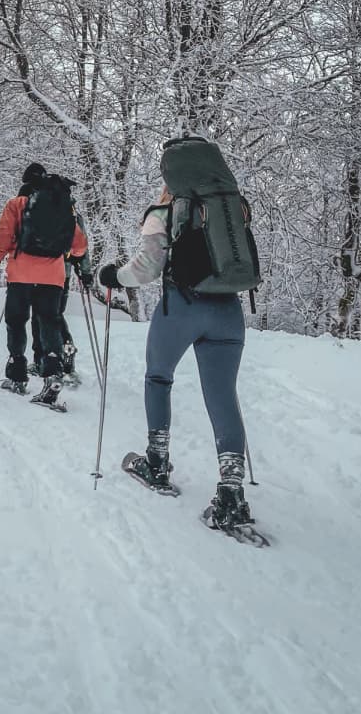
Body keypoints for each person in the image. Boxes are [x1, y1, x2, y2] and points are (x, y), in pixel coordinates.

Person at [98, 184, 255, 530]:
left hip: (182, 307)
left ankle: (156, 461)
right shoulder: (232, 209)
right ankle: (232, 493)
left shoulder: (164, 213)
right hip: (229, 311)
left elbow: (147, 268)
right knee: (223, 396)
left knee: (158, 377)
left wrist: (114, 276)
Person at [0, 162, 89, 407]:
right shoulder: (63, 207)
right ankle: (52, 375)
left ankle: (17, 376)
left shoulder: (15, 205)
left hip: (21, 276)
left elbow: (2, 242)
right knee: (49, 322)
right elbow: (80, 245)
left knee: (16, 321)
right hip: (54, 278)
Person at [31, 216, 92, 387]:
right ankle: (66, 350)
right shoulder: (72, 212)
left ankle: (41, 360)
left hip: (37, 271)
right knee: (55, 314)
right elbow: (82, 245)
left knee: (39, 314)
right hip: (62, 272)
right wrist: (85, 271)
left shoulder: (35, 205)